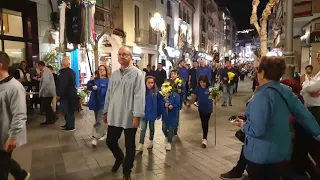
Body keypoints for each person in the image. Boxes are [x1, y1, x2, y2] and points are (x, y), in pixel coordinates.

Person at [235, 56, 320, 180]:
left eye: (258, 70)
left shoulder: (261, 96)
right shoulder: (286, 91)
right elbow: (305, 117)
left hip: (260, 155)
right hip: (282, 152)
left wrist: (243, 125)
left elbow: (257, 130)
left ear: (263, 73)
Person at [104, 46, 145, 180]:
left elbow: (139, 95)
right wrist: (106, 111)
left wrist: (137, 115)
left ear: (130, 57)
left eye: (125, 54)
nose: (122, 56)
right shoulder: (114, 74)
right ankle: (119, 157)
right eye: (120, 54)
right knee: (110, 141)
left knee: (130, 145)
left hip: (129, 115)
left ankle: (127, 171)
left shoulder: (137, 74)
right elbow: (109, 94)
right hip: (115, 114)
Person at [0, 52, 30, 180]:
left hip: (5, 136)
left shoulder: (15, 87)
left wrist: (13, 137)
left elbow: (20, 114)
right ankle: (20, 174)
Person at [187, 75, 213, 148]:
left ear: (206, 82)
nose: (202, 84)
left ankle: (204, 138)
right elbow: (194, 97)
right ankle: (204, 137)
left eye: (203, 82)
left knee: (206, 122)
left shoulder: (210, 88)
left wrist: (215, 98)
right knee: (203, 123)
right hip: (201, 108)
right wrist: (190, 103)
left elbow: (214, 98)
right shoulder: (198, 88)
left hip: (208, 108)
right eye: (201, 82)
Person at [136, 76, 161, 152]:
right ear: (145, 83)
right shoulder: (142, 92)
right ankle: (141, 144)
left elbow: (159, 103)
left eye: (152, 83)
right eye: (148, 83)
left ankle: (151, 141)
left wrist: (159, 113)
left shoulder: (156, 92)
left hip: (153, 113)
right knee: (143, 129)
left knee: (152, 128)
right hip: (144, 113)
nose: (150, 84)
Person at [87, 65, 109, 147]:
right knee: (99, 120)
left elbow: (106, 91)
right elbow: (89, 87)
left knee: (100, 121)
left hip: (103, 104)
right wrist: (90, 81)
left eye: (103, 69)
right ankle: (103, 132)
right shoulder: (95, 80)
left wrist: (98, 88)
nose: (102, 71)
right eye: (100, 69)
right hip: (95, 103)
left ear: (106, 71)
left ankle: (95, 138)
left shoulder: (107, 81)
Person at [57, 57, 78, 132]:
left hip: (66, 95)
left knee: (67, 110)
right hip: (71, 94)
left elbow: (63, 85)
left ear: (62, 64)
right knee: (69, 110)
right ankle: (69, 124)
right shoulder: (72, 71)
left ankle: (70, 126)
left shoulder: (63, 73)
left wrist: (59, 94)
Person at [160, 79, 180, 151]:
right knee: (164, 128)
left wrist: (173, 106)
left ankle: (169, 142)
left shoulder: (175, 95)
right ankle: (168, 136)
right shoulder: (163, 95)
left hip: (172, 115)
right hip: (165, 115)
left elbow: (178, 104)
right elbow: (161, 103)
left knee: (171, 128)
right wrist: (164, 104)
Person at [38, 61, 58, 125]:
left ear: (40, 65)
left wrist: (41, 91)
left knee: (46, 105)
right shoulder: (46, 71)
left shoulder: (46, 71)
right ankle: (49, 120)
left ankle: (53, 116)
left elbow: (45, 82)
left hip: (47, 92)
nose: (38, 68)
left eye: (38, 66)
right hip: (48, 92)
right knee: (46, 106)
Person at [170, 69, 185, 136]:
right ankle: (170, 128)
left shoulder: (180, 83)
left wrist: (180, 91)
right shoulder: (168, 82)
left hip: (177, 102)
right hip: (169, 102)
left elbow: (184, 92)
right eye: (172, 74)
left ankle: (175, 130)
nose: (173, 75)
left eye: (174, 74)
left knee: (176, 116)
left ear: (177, 75)